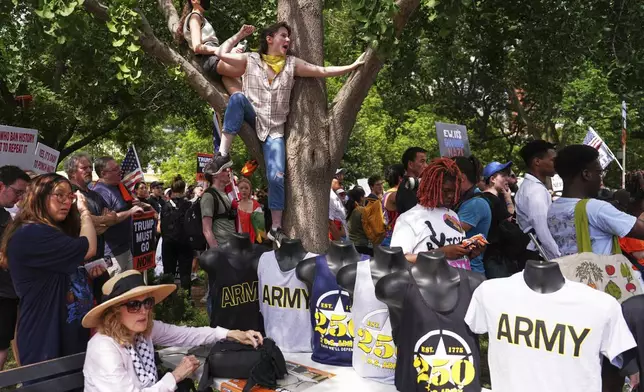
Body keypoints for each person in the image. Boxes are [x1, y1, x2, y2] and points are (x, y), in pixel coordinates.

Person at [208, 22, 365, 245]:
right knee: (237, 99)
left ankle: (276, 228)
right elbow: (221, 53)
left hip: (274, 130)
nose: (288, 40)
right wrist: (239, 35)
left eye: (289, 36)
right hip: (254, 116)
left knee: (277, 176)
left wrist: (351, 67)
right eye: (284, 35)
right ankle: (222, 154)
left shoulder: (292, 64)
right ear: (269, 39)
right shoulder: (251, 59)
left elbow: (321, 71)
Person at [82, 270, 262, 391]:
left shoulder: (142, 331)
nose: (144, 310)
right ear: (114, 312)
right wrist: (175, 376)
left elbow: (185, 334)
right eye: (134, 305)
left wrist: (229, 333)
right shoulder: (103, 348)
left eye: (147, 302)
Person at [0, 174, 99, 365]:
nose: (66, 202)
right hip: (45, 339)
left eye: (69, 196)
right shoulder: (32, 233)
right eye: (59, 195)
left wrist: (86, 272)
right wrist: (85, 212)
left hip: (69, 333)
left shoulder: (51, 231)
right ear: (39, 196)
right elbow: (89, 247)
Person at [548, 145, 644, 256]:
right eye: (599, 173)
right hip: (603, 272)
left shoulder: (553, 208)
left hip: (570, 271)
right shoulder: (594, 208)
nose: (601, 180)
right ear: (586, 174)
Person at [391, 158, 483, 268]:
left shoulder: (452, 215)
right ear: (431, 187)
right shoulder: (409, 219)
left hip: (460, 282)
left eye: (454, 191)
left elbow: (455, 257)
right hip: (426, 283)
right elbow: (397, 260)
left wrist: (469, 253)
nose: (450, 195)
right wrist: (441, 253)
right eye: (446, 190)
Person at [65, 153, 119, 300]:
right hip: (79, 265)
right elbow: (78, 219)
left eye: (90, 167)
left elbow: (113, 218)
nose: (89, 170)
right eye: (84, 167)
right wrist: (101, 220)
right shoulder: (69, 192)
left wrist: (96, 223)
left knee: (104, 300)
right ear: (72, 172)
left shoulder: (95, 195)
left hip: (99, 260)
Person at [176, 0, 256, 95]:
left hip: (214, 61)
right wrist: (222, 50)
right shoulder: (195, 17)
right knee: (252, 63)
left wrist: (228, 50)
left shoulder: (198, 17)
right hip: (211, 59)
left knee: (242, 97)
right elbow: (197, 47)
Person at [92, 157, 145, 272]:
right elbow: (108, 220)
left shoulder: (120, 186)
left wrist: (137, 204)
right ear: (103, 173)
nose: (120, 171)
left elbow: (129, 207)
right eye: (115, 169)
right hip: (112, 254)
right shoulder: (100, 192)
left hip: (126, 247)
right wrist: (131, 211)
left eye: (119, 167)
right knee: (117, 289)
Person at [0, 166, 29, 370]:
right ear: (1, 186)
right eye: (17, 192)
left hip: (7, 291)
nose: (19, 198)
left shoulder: (5, 216)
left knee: (2, 344)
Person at [515, 140, 560, 261]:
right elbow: (543, 230)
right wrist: (558, 257)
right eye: (552, 160)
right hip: (540, 255)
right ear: (537, 162)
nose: (556, 164)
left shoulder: (532, 187)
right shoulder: (535, 191)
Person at [453, 155, 491, 274]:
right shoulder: (469, 200)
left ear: (462, 178)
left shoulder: (475, 203)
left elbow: (451, 232)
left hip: (470, 272)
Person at [160, 176, 194, 296]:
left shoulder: (164, 206)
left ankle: (168, 300)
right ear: (184, 189)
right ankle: (186, 299)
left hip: (168, 242)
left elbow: (162, 226)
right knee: (185, 273)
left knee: (168, 272)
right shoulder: (189, 205)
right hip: (185, 242)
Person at [201, 164, 237, 250]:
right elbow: (206, 229)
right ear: (215, 175)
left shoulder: (226, 194)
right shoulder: (208, 196)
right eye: (224, 170)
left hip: (232, 247)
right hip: (221, 251)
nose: (228, 172)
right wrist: (217, 252)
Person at [396, 147, 427, 214]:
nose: (426, 165)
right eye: (422, 161)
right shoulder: (407, 186)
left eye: (425, 162)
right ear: (410, 164)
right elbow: (415, 215)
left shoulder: (415, 184)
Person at [381, 164, 405, 247]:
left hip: (393, 238)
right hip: (394, 240)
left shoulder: (389, 193)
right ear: (400, 178)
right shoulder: (394, 195)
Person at [236, 177, 264, 244]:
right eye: (241, 188)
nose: (244, 190)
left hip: (252, 241)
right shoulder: (235, 205)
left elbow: (260, 227)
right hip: (238, 241)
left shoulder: (256, 205)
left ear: (250, 190)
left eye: (246, 188)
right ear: (238, 190)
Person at [346, 186, 372, 255]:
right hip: (361, 246)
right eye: (364, 196)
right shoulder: (361, 210)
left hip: (352, 244)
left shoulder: (351, 210)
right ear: (361, 197)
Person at [329, 176, 347, 241]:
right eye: (336, 177)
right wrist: (339, 242)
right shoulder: (331, 197)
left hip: (342, 236)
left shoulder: (334, 195)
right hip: (338, 239)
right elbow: (330, 222)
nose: (340, 177)